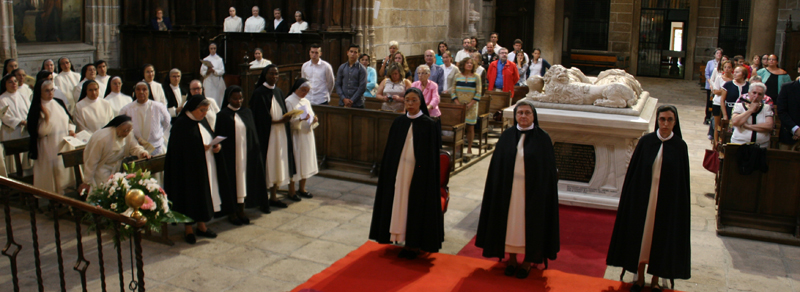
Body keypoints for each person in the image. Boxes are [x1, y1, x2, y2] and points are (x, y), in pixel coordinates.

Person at [606, 105, 691, 292]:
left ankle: (655, 280)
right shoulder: (646, 142)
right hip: (643, 200)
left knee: (660, 239)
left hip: (666, 203)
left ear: (675, 122)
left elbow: (682, 182)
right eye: (662, 119)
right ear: (657, 121)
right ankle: (639, 278)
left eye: (670, 120)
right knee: (641, 238)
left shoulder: (679, 146)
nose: (666, 123)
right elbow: (634, 174)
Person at [476, 100, 560, 279]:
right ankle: (512, 259)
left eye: (527, 113)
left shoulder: (543, 138)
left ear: (533, 116)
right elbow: (497, 167)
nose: (523, 116)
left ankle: (528, 261)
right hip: (509, 192)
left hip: (532, 194)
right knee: (510, 225)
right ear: (515, 116)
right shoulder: (507, 136)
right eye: (519, 113)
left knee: (529, 226)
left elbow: (548, 172)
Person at [369, 87, 443, 259]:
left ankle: (414, 244)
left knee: (415, 206)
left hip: (418, 175)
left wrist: (424, 175)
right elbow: (391, 152)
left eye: (414, 100)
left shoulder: (429, 124)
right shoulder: (399, 123)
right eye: (407, 100)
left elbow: (431, 157)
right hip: (399, 173)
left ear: (421, 102)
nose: (410, 104)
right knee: (399, 203)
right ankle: (400, 238)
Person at [165, 95, 231, 244]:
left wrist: (216, 146)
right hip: (187, 170)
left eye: (206, 111)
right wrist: (198, 148)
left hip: (205, 165)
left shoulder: (200, 120)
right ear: (192, 108)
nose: (204, 114)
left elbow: (210, 136)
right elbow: (178, 150)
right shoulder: (181, 124)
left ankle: (202, 225)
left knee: (203, 194)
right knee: (189, 196)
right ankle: (188, 229)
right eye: (202, 110)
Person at [216, 86, 270, 222]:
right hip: (231, 157)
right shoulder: (222, 115)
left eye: (240, 98)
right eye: (235, 98)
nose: (238, 101)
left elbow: (253, 134)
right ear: (228, 99)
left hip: (246, 155)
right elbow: (220, 136)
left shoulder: (247, 112)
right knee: (233, 183)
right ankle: (232, 212)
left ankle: (241, 210)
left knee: (244, 183)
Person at [250, 65, 295, 207]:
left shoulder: (278, 91)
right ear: (265, 75)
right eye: (271, 74)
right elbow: (257, 118)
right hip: (266, 136)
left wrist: (286, 118)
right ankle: (263, 197)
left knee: (277, 163)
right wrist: (278, 121)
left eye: (276, 74)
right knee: (268, 163)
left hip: (280, 133)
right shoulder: (259, 93)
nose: (274, 77)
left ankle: (274, 196)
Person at [27, 79, 76, 195]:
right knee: (52, 173)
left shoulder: (58, 102)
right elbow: (36, 132)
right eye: (46, 91)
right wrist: (47, 120)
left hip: (64, 142)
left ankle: (65, 195)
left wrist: (71, 130)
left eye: (52, 90)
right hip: (48, 144)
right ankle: (53, 197)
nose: (50, 93)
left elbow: (68, 119)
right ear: (40, 92)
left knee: (64, 171)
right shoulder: (37, 108)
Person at [80, 115, 150, 194]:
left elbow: (134, 147)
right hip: (100, 169)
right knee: (102, 193)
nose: (127, 133)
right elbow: (92, 161)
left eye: (129, 130)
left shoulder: (129, 134)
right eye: (125, 130)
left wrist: (142, 152)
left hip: (116, 168)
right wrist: (87, 181)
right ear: (117, 127)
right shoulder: (102, 138)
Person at [285, 79, 319, 199]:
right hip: (297, 135)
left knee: (305, 161)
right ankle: (292, 191)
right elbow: (288, 122)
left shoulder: (306, 101)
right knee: (296, 162)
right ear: (297, 88)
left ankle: (302, 188)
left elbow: (311, 115)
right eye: (303, 90)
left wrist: (313, 119)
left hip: (307, 135)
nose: (305, 93)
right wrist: (300, 119)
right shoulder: (289, 101)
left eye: (307, 91)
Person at [119, 82, 171, 155]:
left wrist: (156, 133)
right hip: (137, 148)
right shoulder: (126, 109)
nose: (141, 92)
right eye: (138, 89)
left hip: (156, 146)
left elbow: (166, 122)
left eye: (144, 89)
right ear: (135, 91)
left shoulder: (159, 107)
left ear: (149, 91)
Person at [450, 58, 481, 157]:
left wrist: (470, 104)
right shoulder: (457, 76)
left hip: (471, 106)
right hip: (459, 106)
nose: (469, 65)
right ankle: (458, 148)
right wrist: (457, 103)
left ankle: (469, 148)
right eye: (467, 63)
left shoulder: (476, 77)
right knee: (459, 128)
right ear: (463, 64)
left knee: (470, 127)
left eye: (471, 63)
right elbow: (453, 90)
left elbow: (479, 92)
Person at [730, 83, 774, 148]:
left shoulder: (766, 108)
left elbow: (769, 126)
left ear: (763, 96)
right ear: (749, 93)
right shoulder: (739, 106)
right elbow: (735, 122)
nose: (756, 96)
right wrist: (750, 110)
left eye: (760, 94)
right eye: (754, 93)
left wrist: (747, 126)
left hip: (761, 146)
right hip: (740, 144)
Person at [777, 63, 800, 150]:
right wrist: (795, 129)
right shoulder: (787, 88)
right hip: (788, 136)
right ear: (799, 69)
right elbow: (782, 111)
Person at [712, 60, 734, 141]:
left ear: (732, 68)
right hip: (718, 103)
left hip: (728, 103)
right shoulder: (719, 78)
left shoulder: (734, 79)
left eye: (729, 67)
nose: (727, 69)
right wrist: (724, 91)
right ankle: (715, 142)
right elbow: (715, 91)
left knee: (727, 124)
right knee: (717, 124)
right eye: (725, 67)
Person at [201, 43, 227, 108]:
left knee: (217, 98)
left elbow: (222, 71)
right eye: (211, 48)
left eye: (214, 48)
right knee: (208, 97)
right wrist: (207, 71)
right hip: (208, 80)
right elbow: (201, 71)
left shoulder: (219, 59)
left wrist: (214, 71)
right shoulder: (205, 59)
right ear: (209, 49)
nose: (213, 50)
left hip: (217, 81)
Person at [705, 48, 723, 124]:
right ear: (714, 54)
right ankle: (707, 117)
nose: (719, 54)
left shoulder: (723, 63)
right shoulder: (710, 63)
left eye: (720, 53)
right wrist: (711, 84)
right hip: (710, 85)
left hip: (719, 86)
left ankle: (714, 118)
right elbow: (707, 74)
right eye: (717, 53)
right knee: (709, 102)